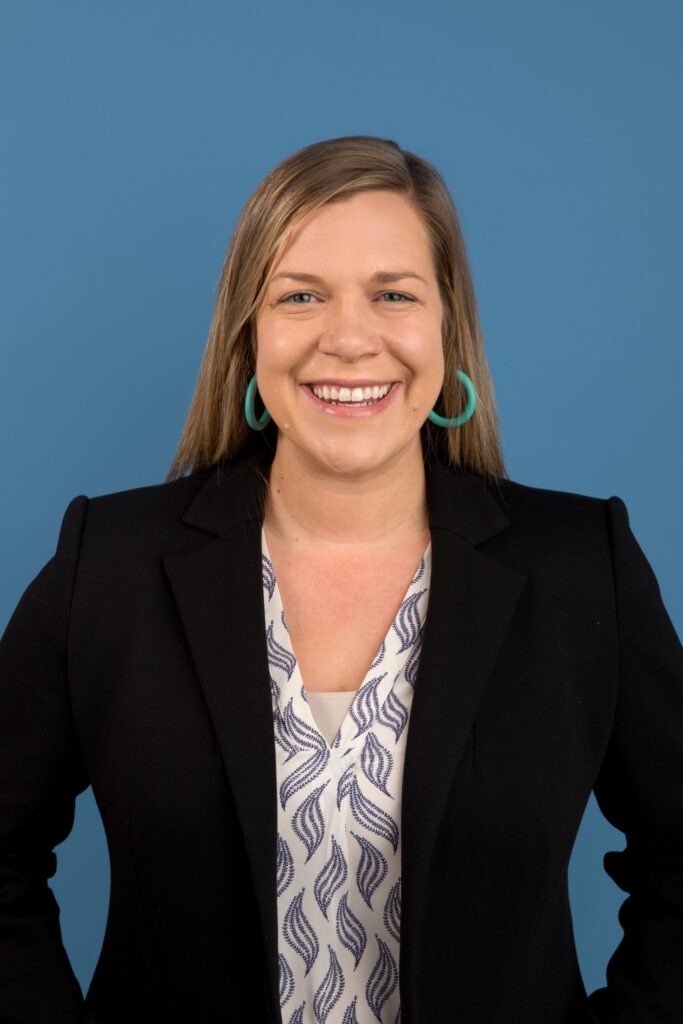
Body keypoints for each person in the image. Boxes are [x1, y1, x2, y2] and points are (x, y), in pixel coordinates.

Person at [1, 135, 681, 1024]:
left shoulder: (580, 566)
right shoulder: (110, 563)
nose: (349, 339)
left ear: (447, 328)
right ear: (249, 335)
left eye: (393, 294)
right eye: (300, 296)